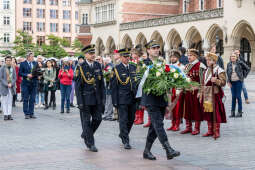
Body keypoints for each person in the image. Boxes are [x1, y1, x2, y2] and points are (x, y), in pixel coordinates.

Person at [141, 40, 180, 160]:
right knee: (158, 124)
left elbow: (167, 79)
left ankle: (146, 151)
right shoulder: (143, 64)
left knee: (154, 126)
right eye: (153, 48)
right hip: (150, 99)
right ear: (148, 50)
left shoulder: (162, 62)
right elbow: (140, 81)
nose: (156, 50)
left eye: (158, 47)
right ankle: (168, 149)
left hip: (161, 98)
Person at [75, 44, 105, 152]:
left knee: (98, 119)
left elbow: (101, 85)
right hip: (86, 99)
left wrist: (103, 100)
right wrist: (80, 102)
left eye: (93, 53)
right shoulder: (80, 68)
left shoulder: (98, 65)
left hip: (97, 99)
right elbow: (78, 87)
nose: (93, 55)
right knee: (86, 122)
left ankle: (86, 134)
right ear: (85, 55)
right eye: (90, 53)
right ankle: (90, 143)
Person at [111, 48, 137, 149]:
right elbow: (113, 87)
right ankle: (126, 140)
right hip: (122, 99)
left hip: (132, 98)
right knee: (123, 119)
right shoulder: (116, 69)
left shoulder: (133, 67)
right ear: (121, 57)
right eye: (125, 57)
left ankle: (123, 133)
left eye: (128, 57)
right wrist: (115, 101)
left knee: (131, 119)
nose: (127, 58)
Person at [178, 49, 206, 135]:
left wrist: (200, 92)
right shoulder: (187, 66)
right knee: (187, 109)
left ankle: (197, 128)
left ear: (196, 56)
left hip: (196, 91)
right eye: (188, 55)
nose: (189, 57)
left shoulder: (200, 66)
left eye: (191, 55)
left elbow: (202, 80)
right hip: (187, 91)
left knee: (196, 110)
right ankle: (188, 127)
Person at [201, 52, 227, 138]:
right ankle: (210, 130)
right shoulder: (206, 70)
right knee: (208, 112)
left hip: (215, 94)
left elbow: (223, 83)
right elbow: (203, 83)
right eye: (207, 60)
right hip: (207, 94)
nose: (207, 62)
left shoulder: (219, 70)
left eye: (209, 60)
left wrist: (216, 80)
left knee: (216, 113)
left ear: (214, 61)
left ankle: (216, 131)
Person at [227, 52, 250, 118]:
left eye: (234, 56)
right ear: (230, 58)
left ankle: (239, 112)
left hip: (238, 82)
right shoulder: (229, 64)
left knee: (238, 96)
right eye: (231, 56)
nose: (233, 57)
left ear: (236, 57)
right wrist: (228, 81)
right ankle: (233, 112)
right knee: (233, 97)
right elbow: (227, 73)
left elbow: (247, 68)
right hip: (232, 82)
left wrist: (243, 76)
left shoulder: (240, 63)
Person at [166, 50, 185, 131]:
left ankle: (177, 124)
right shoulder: (169, 66)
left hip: (178, 88)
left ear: (178, 58)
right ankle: (172, 123)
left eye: (174, 57)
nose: (172, 58)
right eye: (171, 57)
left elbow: (183, 78)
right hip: (170, 88)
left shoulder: (181, 66)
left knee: (177, 107)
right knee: (171, 106)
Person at [19, 52, 39, 119]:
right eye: (32, 56)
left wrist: (39, 74)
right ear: (28, 57)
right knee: (25, 99)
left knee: (32, 99)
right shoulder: (22, 63)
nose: (33, 58)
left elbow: (37, 71)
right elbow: (20, 73)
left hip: (34, 83)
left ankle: (31, 113)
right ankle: (26, 113)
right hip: (25, 84)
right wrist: (27, 75)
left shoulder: (35, 63)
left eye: (33, 56)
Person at [131, 46, 145, 125]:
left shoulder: (141, 62)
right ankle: (136, 117)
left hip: (139, 84)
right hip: (133, 84)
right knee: (135, 101)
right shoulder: (131, 62)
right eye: (132, 54)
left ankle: (141, 118)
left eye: (135, 54)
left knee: (140, 101)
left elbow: (141, 73)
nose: (134, 55)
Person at [0, 56, 17, 120]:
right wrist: (7, 84)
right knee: (4, 101)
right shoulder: (2, 68)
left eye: (9, 60)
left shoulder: (13, 68)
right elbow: (1, 78)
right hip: (4, 87)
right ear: (5, 61)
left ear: (11, 61)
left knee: (10, 101)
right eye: (7, 60)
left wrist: (11, 83)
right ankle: (5, 115)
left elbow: (15, 78)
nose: (8, 61)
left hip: (11, 87)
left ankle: (9, 114)